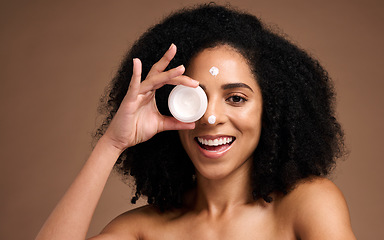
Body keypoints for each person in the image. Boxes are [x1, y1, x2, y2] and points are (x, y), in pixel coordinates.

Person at [36, 3, 356, 240]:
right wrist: (112, 143)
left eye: (236, 98)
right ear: (169, 105)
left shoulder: (308, 204)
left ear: (271, 110)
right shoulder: (143, 231)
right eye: (194, 99)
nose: (211, 117)